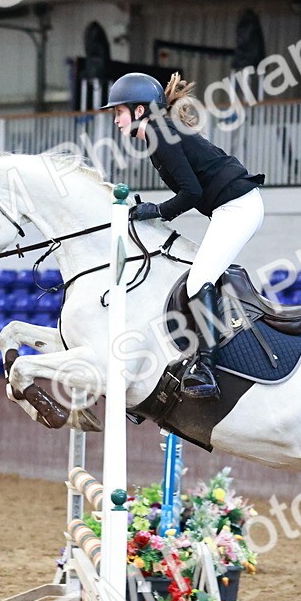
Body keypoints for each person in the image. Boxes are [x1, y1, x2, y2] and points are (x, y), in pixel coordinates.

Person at [102, 71, 265, 400]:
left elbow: (191, 193)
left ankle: (206, 366)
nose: (116, 121)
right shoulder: (160, 134)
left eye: (118, 112)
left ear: (139, 111)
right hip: (230, 208)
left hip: (238, 209)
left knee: (198, 279)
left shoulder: (161, 135)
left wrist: (158, 212)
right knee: (197, 274)